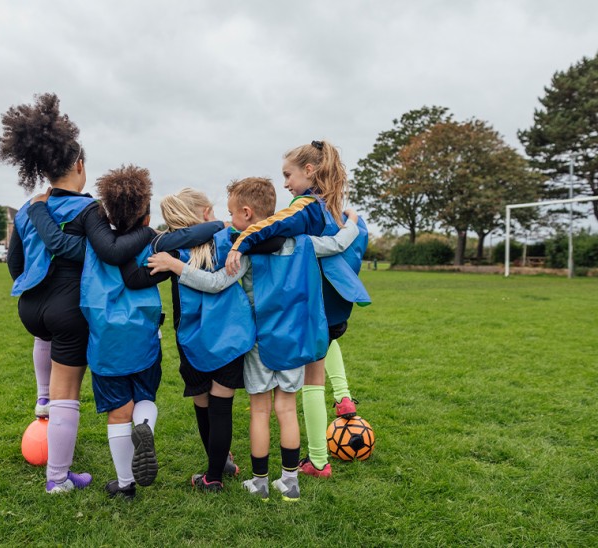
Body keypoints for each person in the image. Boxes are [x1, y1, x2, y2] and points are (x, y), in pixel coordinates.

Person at [149, 177, 358, 501]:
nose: (229, 220)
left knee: (260, 412)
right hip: (294, 342)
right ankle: (290, 483)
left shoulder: (243, 250)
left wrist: (178, 267)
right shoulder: (303, 243)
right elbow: (339, 244)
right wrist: (353, 223)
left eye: (232, 213)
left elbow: (216, 283)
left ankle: (260, 482)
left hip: (260, 342)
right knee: (287, 410)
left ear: (246, 213)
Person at [0, 93, 156, 494]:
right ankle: (58, 479)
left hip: (31, 307)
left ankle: (40, 400)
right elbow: (108, 252)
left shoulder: (28, 206)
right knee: (66, 394)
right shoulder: (88, 209)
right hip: (69, 308)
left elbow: (14, 262)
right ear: (80, 165)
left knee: (47, 364)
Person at [27, 185, 223, 499]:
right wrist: (216, 224)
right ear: (145, 216)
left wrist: (37, 209)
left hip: (106, 339)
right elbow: (182, 238)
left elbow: (59, 242)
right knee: (144, 396)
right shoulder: (152, 240)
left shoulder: (91, 245)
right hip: (144, 335)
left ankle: (125, 484)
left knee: (118, 411)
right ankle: (144, 424)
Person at [224, 140, 371, 479]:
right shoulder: (337, 209)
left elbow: (275, 226)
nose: (286, 183)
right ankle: (342, 401)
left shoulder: (305, 204)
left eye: (288, 175)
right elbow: (348, 247)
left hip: (308, 308)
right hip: (335, 310)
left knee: (311, 383)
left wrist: (241, 241)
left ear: (309, 171)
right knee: (320, 365)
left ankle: (318, 460)